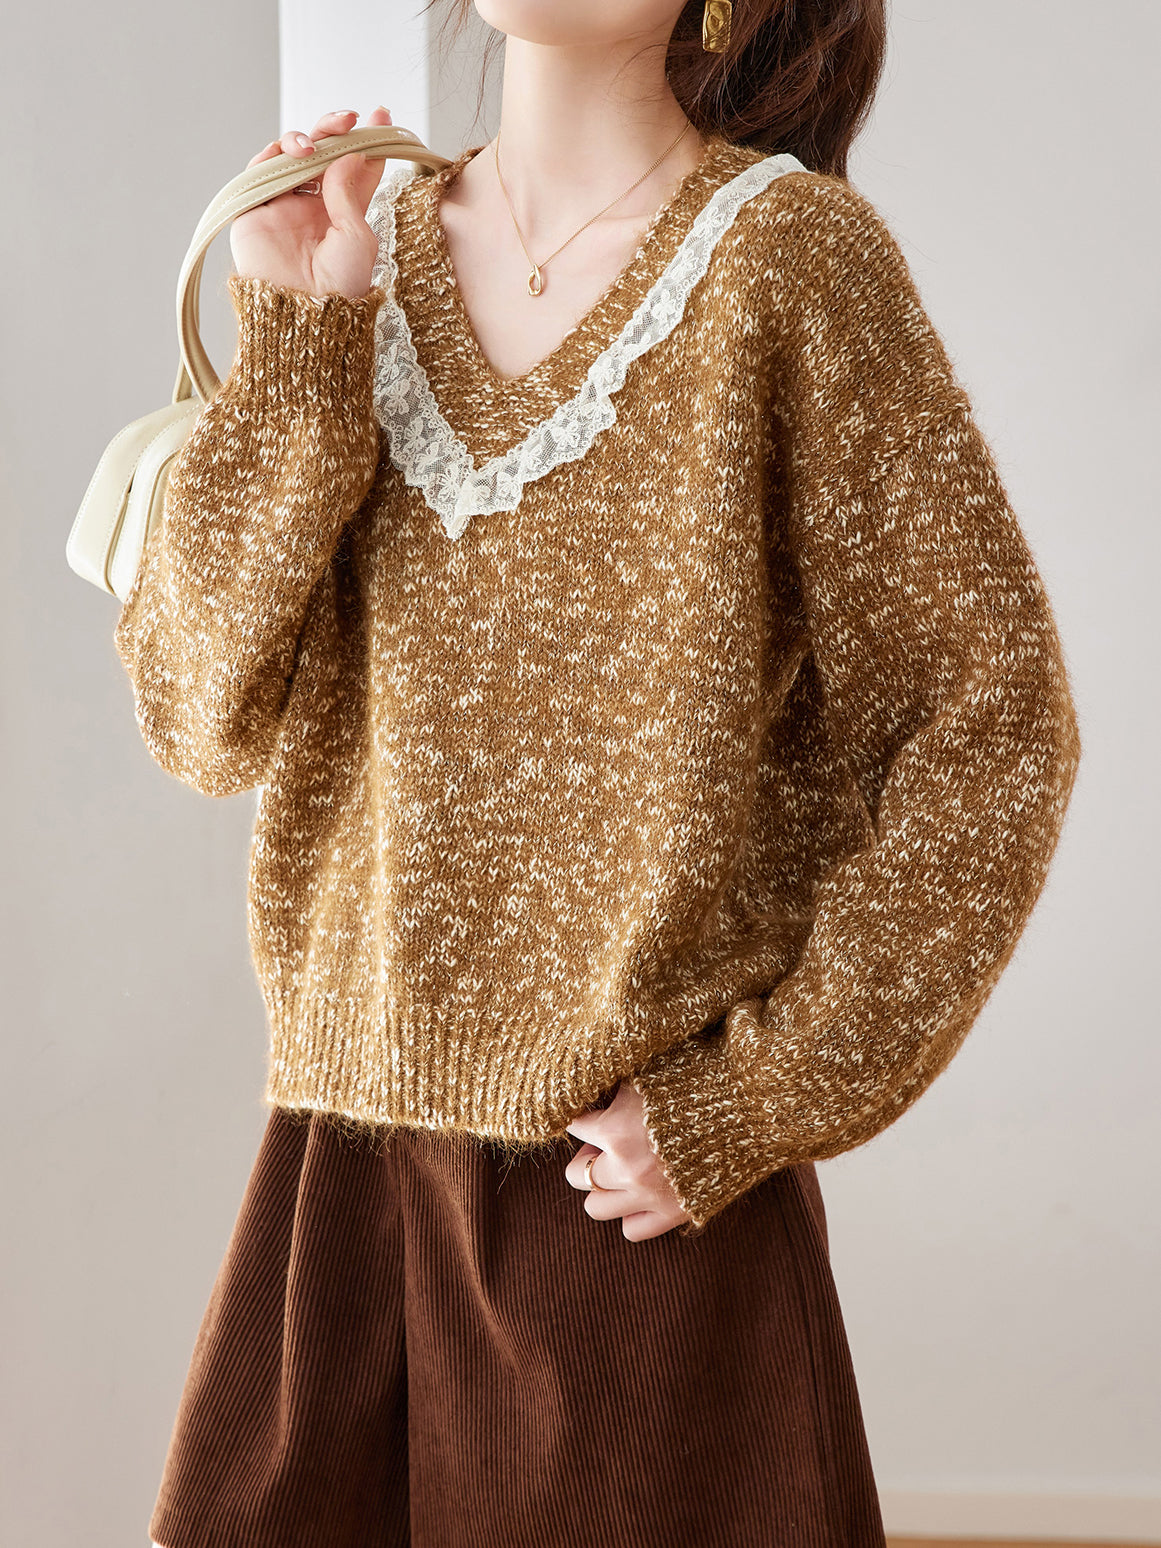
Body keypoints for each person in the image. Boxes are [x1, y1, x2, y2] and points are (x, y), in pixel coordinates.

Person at [115, 2, 1082, 1544]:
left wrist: (751, 1096)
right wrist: (299, 347)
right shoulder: (352, 252)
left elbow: (989, 721)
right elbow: (195, 718)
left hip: (628, 1224)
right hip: (336, 1194)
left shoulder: (788, 264)